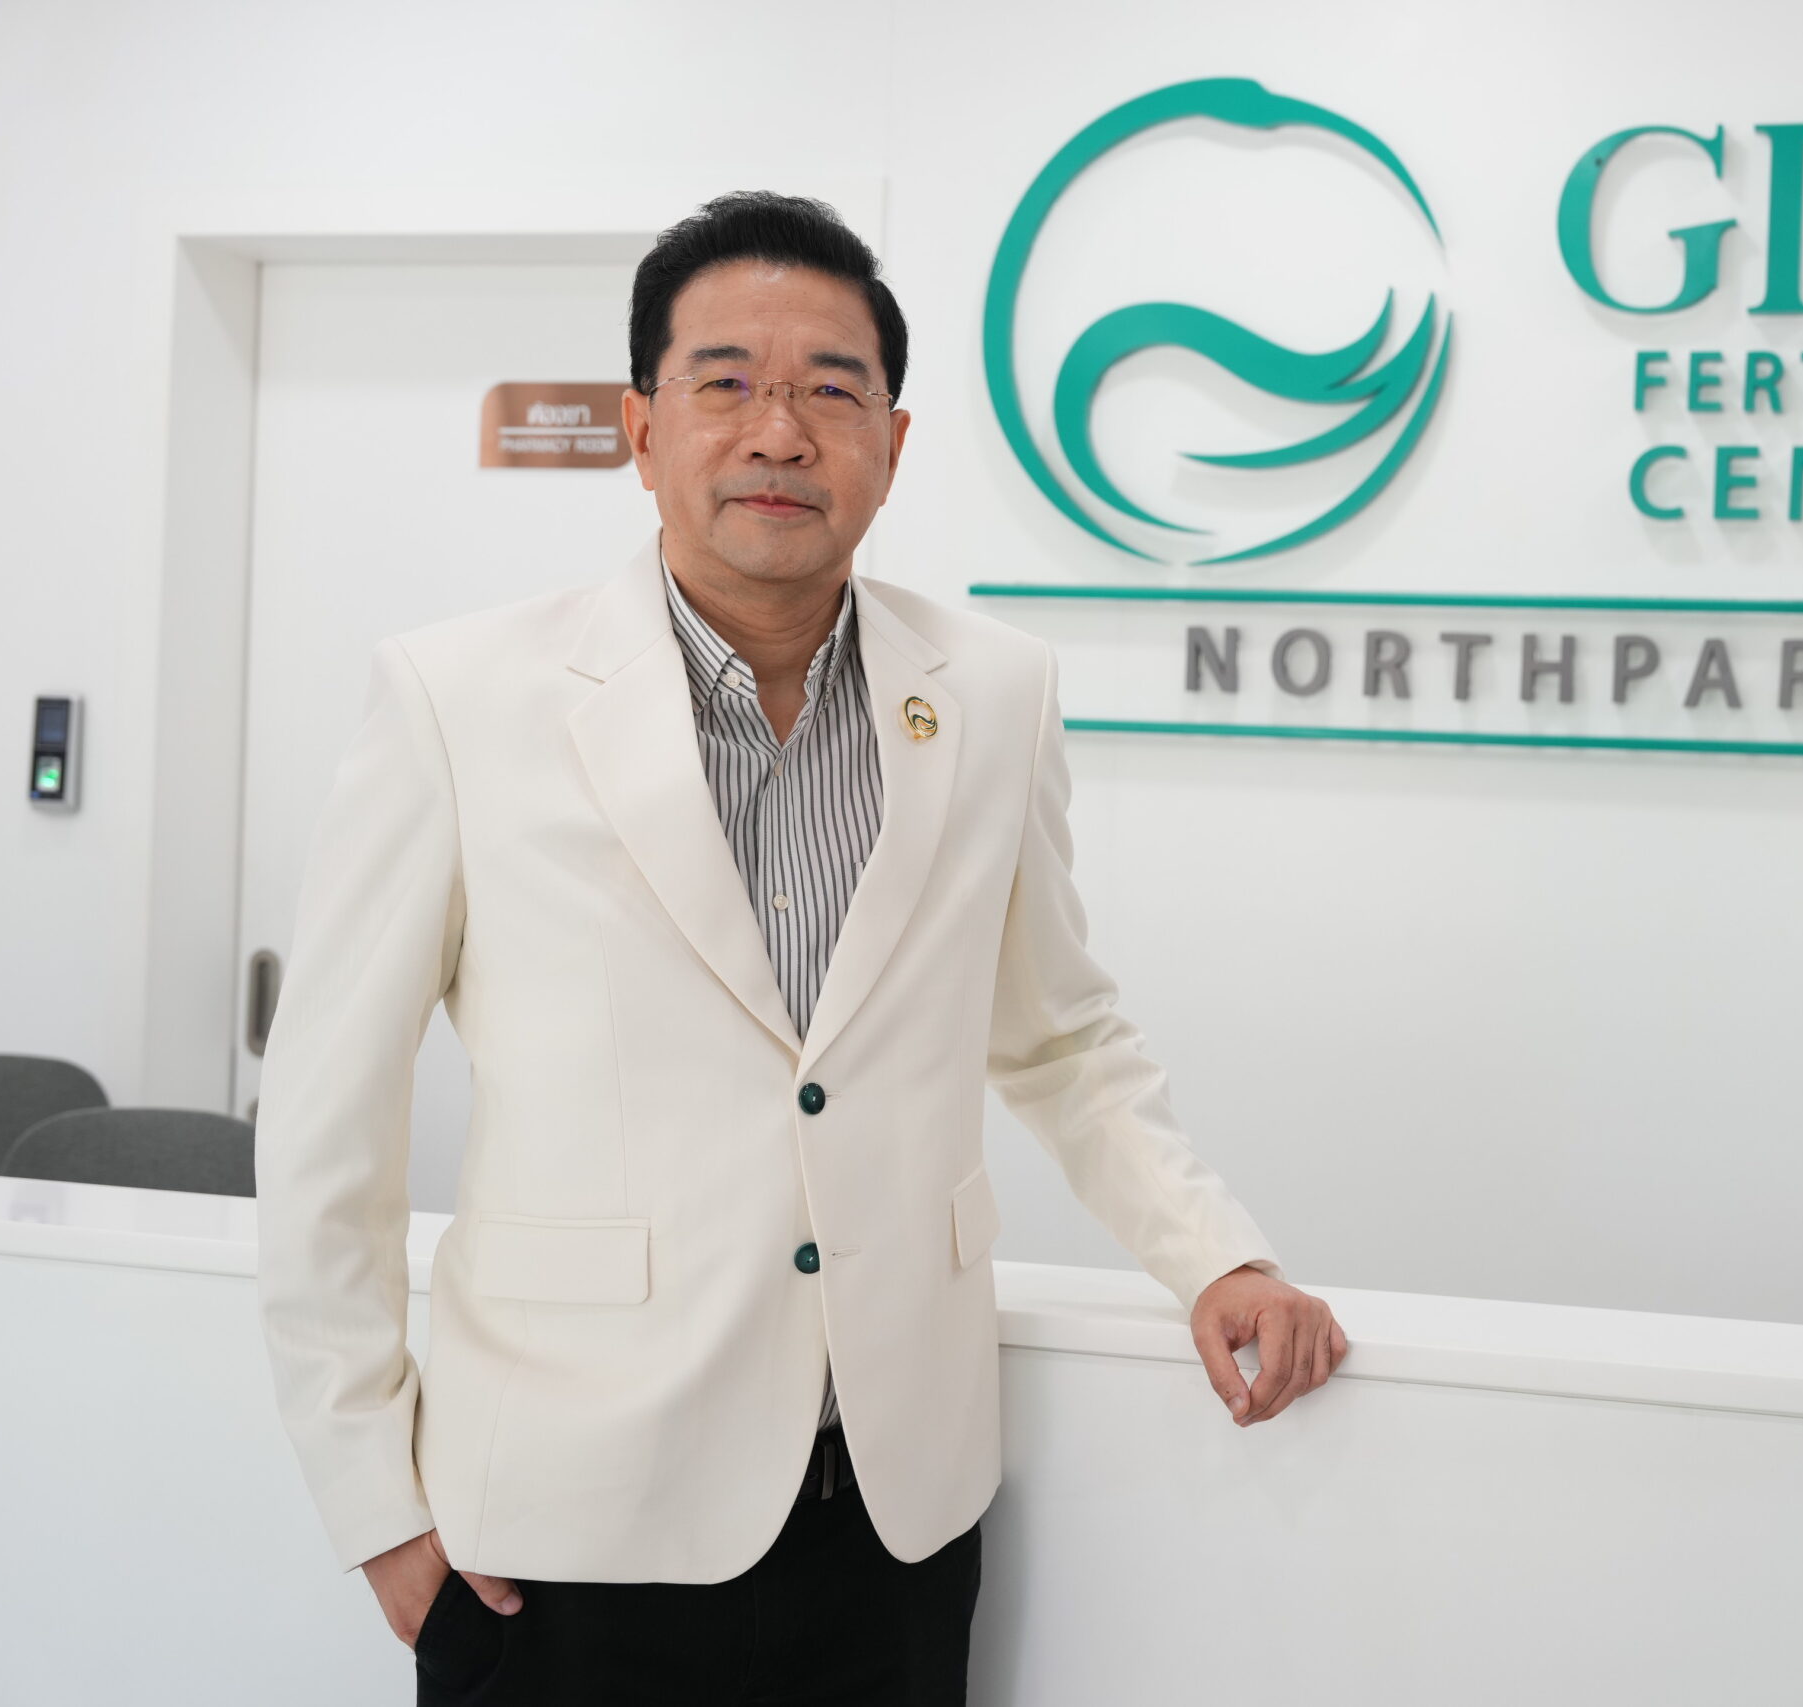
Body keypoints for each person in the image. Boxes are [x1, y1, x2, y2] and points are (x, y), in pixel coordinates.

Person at [253, 190, 1345, 1706]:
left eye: (832, 390)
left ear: (893, 444)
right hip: (566, 1529)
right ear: (642, 429)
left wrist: (1213, 1250)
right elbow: (326, 1121)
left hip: (890, 1524)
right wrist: (376, 1502)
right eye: (726, 383)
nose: (779, 433)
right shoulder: (460, 698)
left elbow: (1061, 1036)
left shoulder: (994, 693)